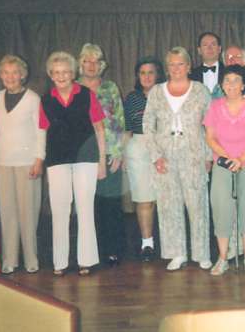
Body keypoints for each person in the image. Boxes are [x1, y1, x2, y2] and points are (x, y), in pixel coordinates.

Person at [143, 46, 211, 271]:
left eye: (180, 64)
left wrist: (209, 155)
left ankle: (201, 253)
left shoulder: (200, 91)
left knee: (197, 203)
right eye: (172, 64)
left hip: (194, 153)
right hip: (165, 155)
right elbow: (147, 125)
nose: (176, 68)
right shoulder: (156, 92)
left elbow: (211, 125)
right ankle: (177, 253)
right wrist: (155, 156)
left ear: (189, 66)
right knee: (169, 204)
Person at [40, 51, 106, 276]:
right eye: (56, 72)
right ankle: (60, 262)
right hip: (57, 160)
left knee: (85, 208)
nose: (61, 76)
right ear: (50, 74)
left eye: (66, 72)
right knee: (59, 209)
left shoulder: (86, 94)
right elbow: (42, 132)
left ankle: (86, 260)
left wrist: (101, 162)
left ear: (73, 73)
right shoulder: (46, 99)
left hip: (86, 159)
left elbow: (99, 128)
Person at [204, 65, 245, 275]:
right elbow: (210, 137)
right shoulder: (214, 106)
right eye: (227, 80)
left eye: (236, 80)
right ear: (221, 85)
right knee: (221, 206)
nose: (231, 84)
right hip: (224, 163)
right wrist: (227, 157)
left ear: (244, 85)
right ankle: (223, 257)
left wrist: (242, 158)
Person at [0, 55, 45, 274]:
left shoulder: (33, 98)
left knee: (28, 211)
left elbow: (41, 130)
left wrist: (38, 159)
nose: (10, 77)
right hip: (2, 161)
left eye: (15, 72)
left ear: (23, 75)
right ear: (0, 75)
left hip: (27, 162)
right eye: (5, 72)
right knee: (7, 212)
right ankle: (10, 259)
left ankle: (31, 258)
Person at [77, 43, 125, 267]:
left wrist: (118, 152)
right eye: (87, 60)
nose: (91, 65)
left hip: (109, 151)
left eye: (96, 61)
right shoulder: (72, 87)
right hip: (81, 152)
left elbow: (119, 120)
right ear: (80, 63)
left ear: (102, 65)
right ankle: (88, 253)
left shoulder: (110, 88)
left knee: (110, 203)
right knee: (87, 204)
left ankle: (112, 250)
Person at [124, 56, 166, 262]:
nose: (147, 76)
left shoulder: (168, 94)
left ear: (158, 74)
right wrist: (122, 155)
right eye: (142, 73)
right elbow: (127, 129)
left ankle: (170, 245)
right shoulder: (132, 98)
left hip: (165, 147)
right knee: (144, 199)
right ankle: (147, 244)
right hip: (139, 148)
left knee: (167, 199)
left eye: (151, 72)